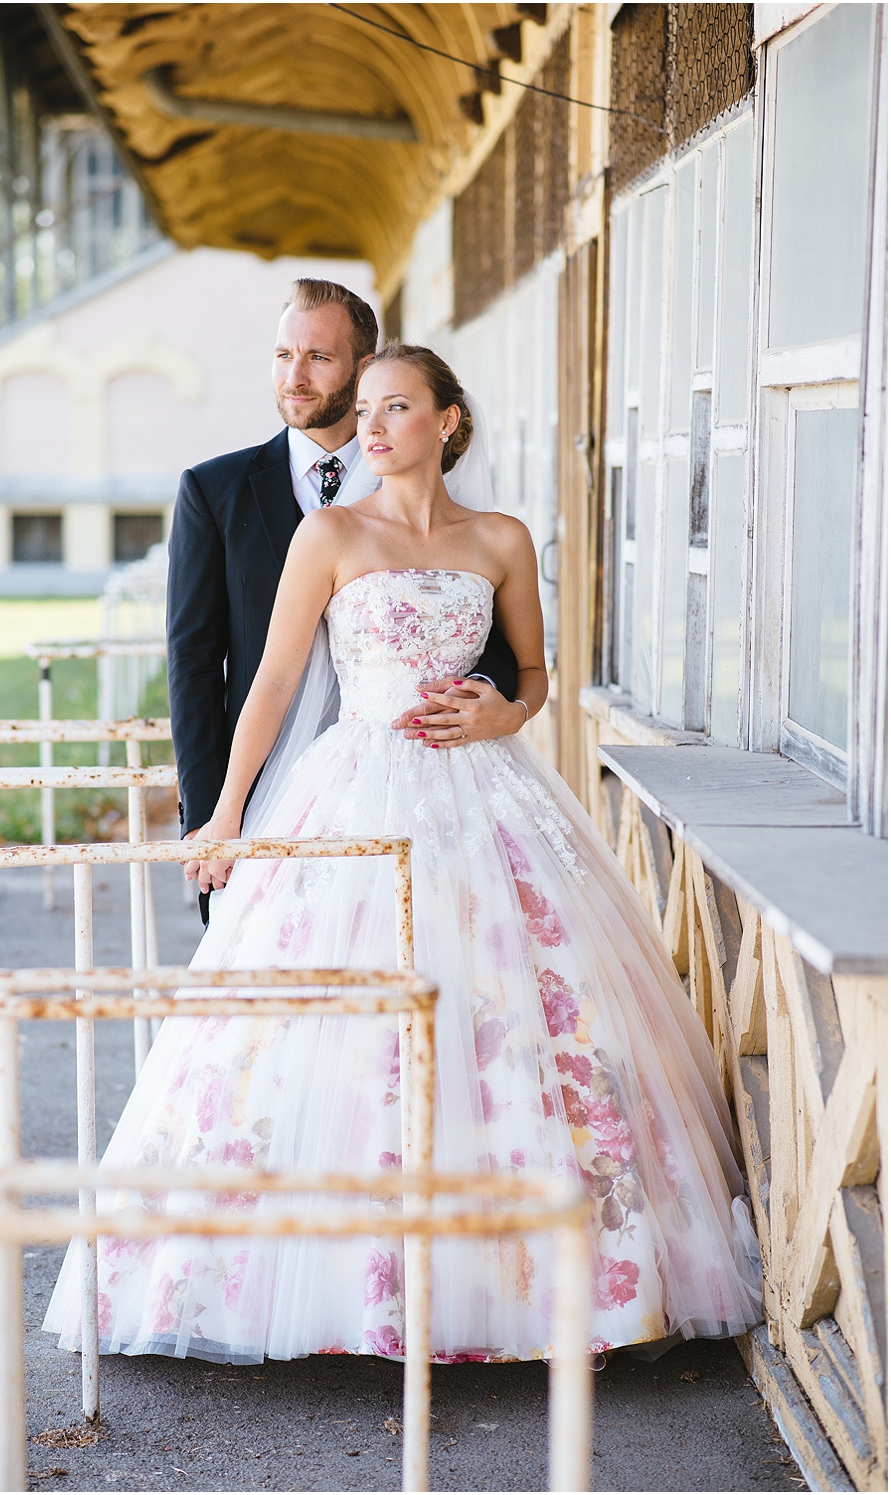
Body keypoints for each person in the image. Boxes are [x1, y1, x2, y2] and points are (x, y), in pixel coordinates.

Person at [44, 343, 762, 1364]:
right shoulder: (329, 533)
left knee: (510, 1007)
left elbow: (532, 674)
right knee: (326, 1030)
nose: (369, 426)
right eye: (364, 408)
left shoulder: (501, 537)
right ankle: (322, 1276)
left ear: (447, 422)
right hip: (353, 792)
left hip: (485, 796)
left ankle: (529, 1279)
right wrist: (225, 814)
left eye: (395, 408)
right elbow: (274, 682)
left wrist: (501, 713)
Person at [166, 278, 520, 921]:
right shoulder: (213, 491)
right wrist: (212, 814)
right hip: (272, 794)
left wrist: (500, 706)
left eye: (318, 358)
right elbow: (194, 665)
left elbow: (491, 637)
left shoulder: (450, 497)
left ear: (364, 368)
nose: (293, 377)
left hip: (435, 787)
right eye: (282, 355)